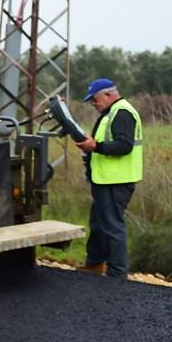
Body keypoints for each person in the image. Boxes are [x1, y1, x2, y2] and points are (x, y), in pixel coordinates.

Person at [75, 77, 143, 279]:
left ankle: (117, 275)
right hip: (105, 179)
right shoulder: (112, 112)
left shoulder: (122, 113)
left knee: (112, 226)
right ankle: (95, 265)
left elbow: (124, 145)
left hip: (116, 181)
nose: (94, 105)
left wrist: (95, 146)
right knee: (98, 223)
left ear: (108, 94)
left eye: (95, 100)